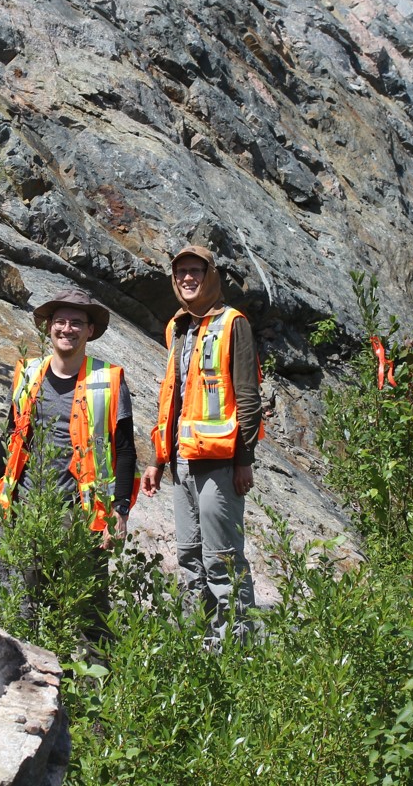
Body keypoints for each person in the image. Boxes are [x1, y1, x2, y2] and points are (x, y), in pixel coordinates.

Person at [142, 246, 263, 645]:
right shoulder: (177, 327)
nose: (187, 279)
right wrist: (158, 459)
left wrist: (244, 460)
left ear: (211, 276)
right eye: (180, 273)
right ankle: (206, 642)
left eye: (195, 271)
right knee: (190, 556)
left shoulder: (233, 324)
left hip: (220, 461)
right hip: (180, 461)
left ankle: (238, 647)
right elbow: (174, 398)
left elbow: (247, 396)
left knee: (222, 558)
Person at [0, 289, 138, 547]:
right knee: (30, 587)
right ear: (49, 327)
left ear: (90, 330)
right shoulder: (29, 373)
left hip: (84, 513)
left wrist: (120, 512)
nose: (67, 329)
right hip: (27, 505)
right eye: (60, 321)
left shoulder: (108, 379)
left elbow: (125, 450)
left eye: (76, 323)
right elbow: (10, 437)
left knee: (84, 588)